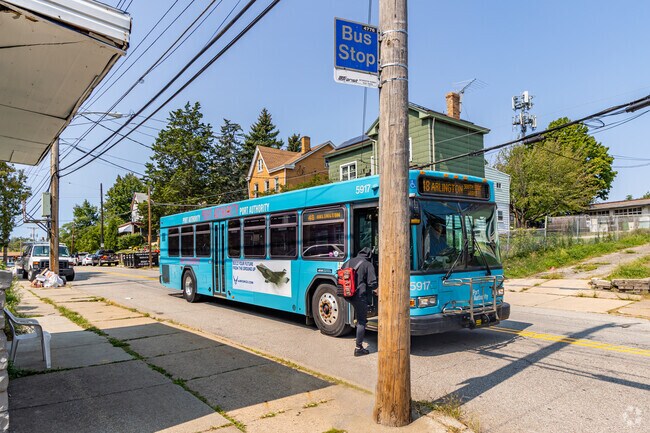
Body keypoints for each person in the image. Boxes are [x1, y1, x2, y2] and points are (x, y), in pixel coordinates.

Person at [343, 247, 378, 356]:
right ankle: (359, 348)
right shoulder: (368, 264)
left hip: (347, 295)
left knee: (360, 314)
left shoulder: (347, 262)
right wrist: (377, 291)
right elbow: (372, 283)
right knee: (361, 321)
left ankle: (359, 322)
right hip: (359, 296)